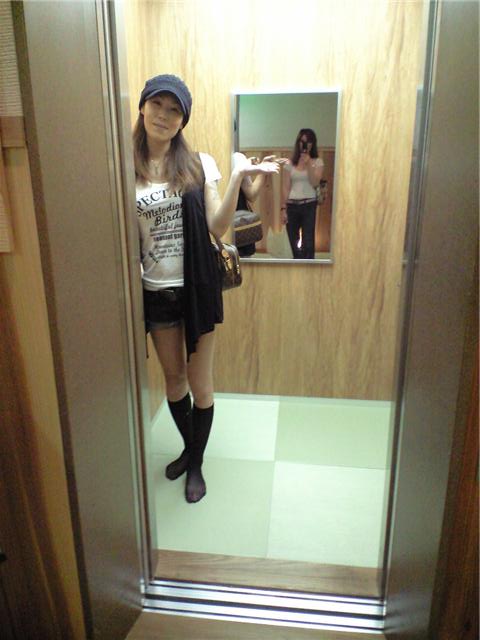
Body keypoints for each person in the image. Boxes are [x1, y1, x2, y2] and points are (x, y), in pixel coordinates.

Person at [134, 74, 278, 503]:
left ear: (183, 120)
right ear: (143, 107)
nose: (164, 115)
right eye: (157, 105)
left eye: (174, 110)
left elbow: (217, 226)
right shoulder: (124, 169)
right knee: (173, 379)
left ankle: (195, 463)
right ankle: (190, 448)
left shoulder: (199, 164)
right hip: (156, 290)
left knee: (201, 383)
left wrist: (237, 177)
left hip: (197, 287)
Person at [281, 128, 324, 259]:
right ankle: (296, 267)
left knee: (308, 243)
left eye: (308, 142)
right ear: (298, 143)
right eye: (302, 141)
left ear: (313, 144)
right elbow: (285, 187)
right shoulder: (290, 164)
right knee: (292, 242)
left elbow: (315, 182)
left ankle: (309, 269)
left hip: (309, 205)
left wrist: (309, 163)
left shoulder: (318, 162)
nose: (305, 145)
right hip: (292, 205)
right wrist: (283, 209)